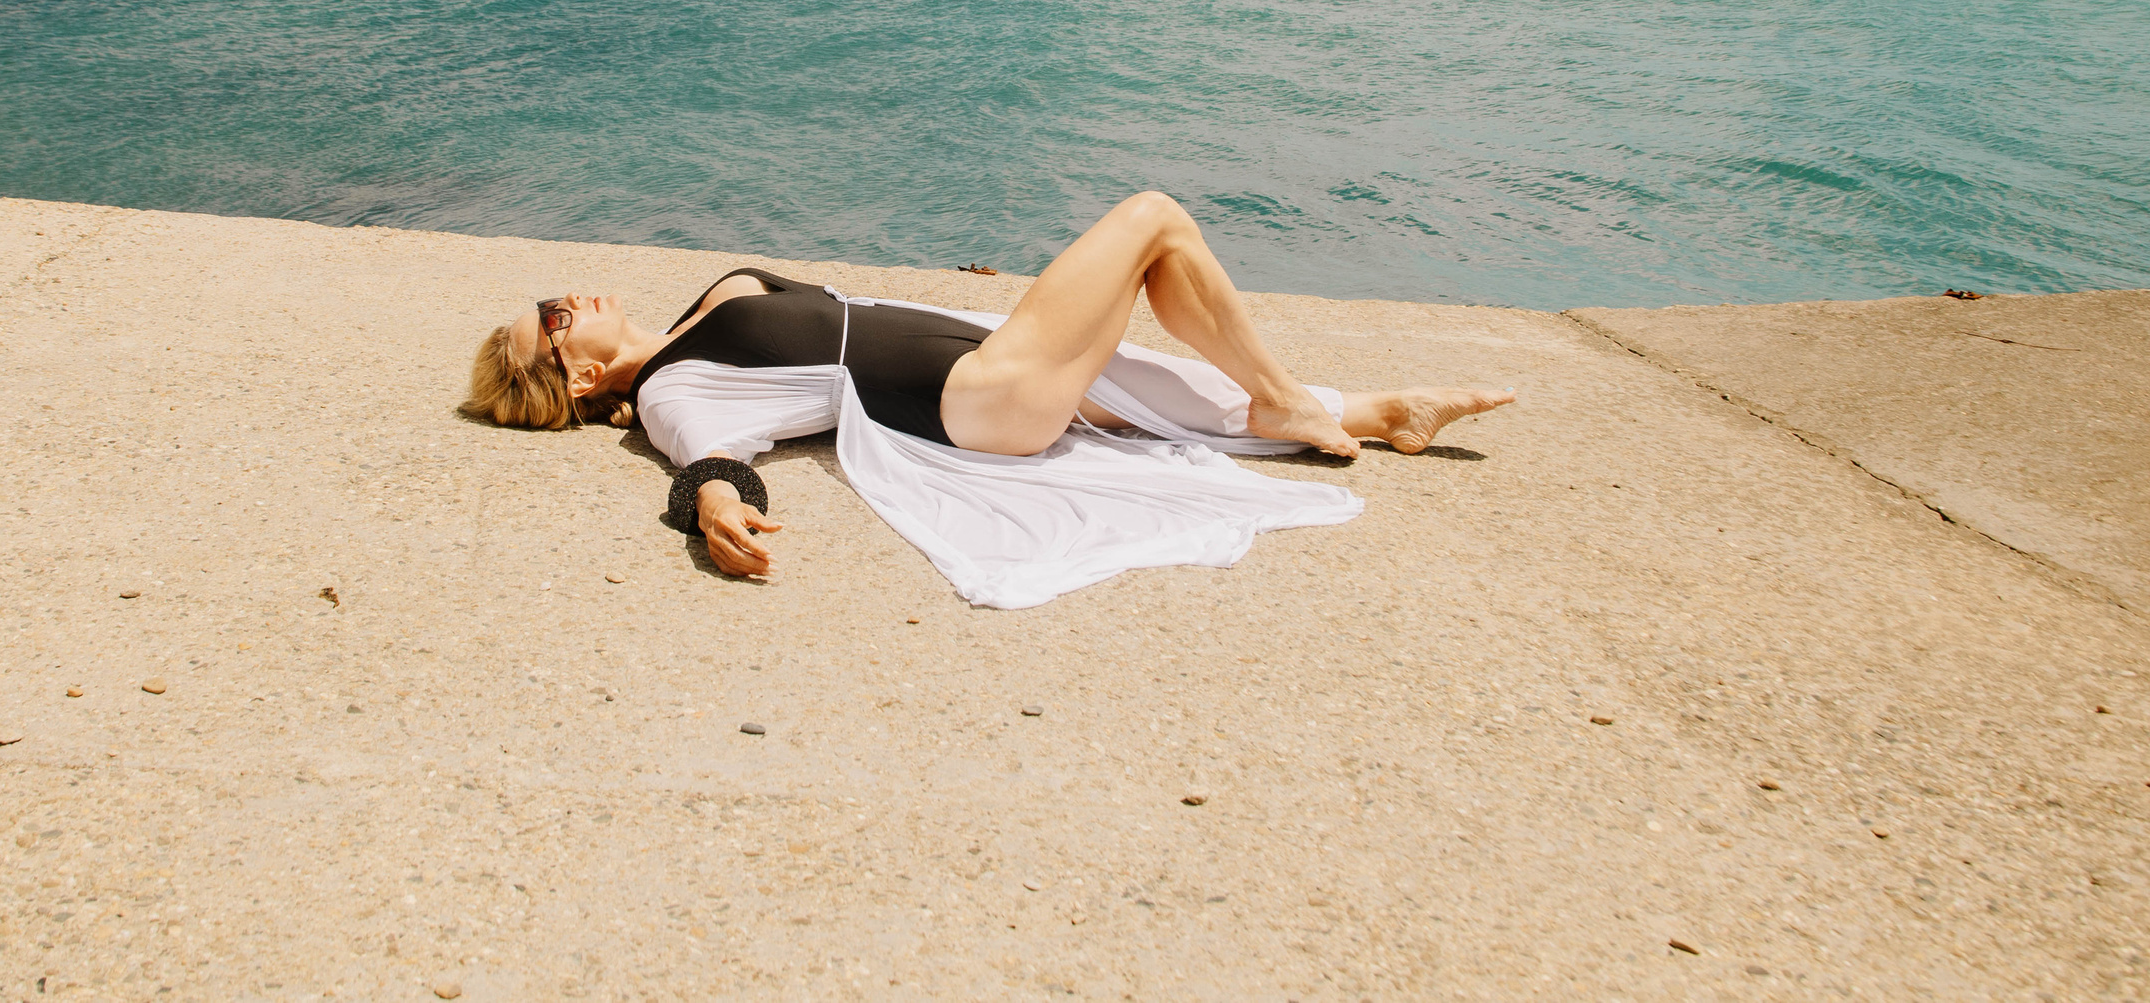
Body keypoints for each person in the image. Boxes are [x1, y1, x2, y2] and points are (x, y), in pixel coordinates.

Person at [462, 192, 1514, 602]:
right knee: (1153, 221)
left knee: (1170, 394)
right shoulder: (673, 389)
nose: (566, 298)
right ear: (581, 375)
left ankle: (1378, 411)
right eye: (551, 318)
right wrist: (715, 507)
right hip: (977, 400)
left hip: (981, 359)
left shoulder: (699, 312)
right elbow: (704, 455)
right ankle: (1287, 401)